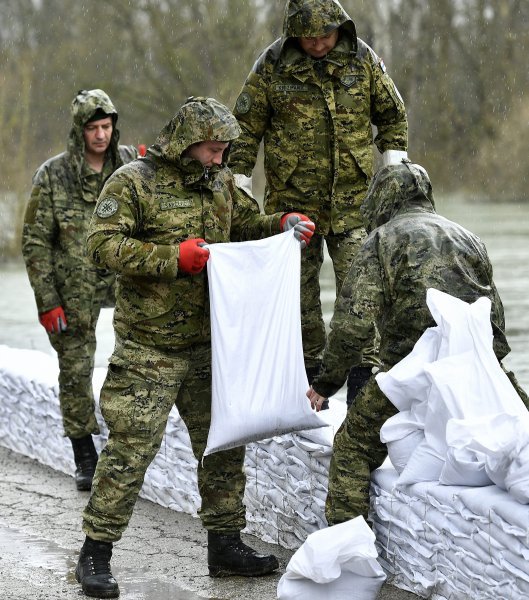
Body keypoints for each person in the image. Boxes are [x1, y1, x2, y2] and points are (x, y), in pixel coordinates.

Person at [74, 96, 315, 599]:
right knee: (130, 451)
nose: (219, 158)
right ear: (186, 143)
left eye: (225, 150)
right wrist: (171, 258)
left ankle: (225, 545)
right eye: (212, 149)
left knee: (224, 447)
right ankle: (95, 552)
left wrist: (282, 224)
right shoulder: (133, 182)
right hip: (148, 349)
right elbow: (99, 244)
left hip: (211, 344)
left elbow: (247, 223)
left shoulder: (222, 183)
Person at [307, 159, 529, 526]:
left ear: (381, 200)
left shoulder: (380, 240)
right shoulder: (468, 238)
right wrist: (485, 371)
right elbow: (494, 322)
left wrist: (325, 383)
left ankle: (345, 546)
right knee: (521, 423)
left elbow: (351, 326)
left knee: (352, 447)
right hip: (474, 363)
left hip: (410, 372)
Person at [230, 0, 408, 404]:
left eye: (325, 35)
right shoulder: (272, 65)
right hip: (293, 207)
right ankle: (311, 380)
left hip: (355, 204)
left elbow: (393, 116)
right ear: (294, 33)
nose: (317, 44)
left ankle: (363, 385)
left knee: (361, 296)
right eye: (308, 37)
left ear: (339, 29)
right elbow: (244, 130)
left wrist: (394, 166)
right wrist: (239, 186)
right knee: (298, 301)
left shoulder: (362, 60)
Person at [21, 89, 138, 491]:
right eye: (93, 128)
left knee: (142, 354)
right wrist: (46, 300)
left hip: (121, 272)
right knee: (75, 368)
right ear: (79, 132)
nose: (101, 135)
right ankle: (84, 454)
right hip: (72, 284)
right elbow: (35, 241)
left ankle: (130, 440)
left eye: (106, 127)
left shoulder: (128, 165)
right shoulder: (52, 175)